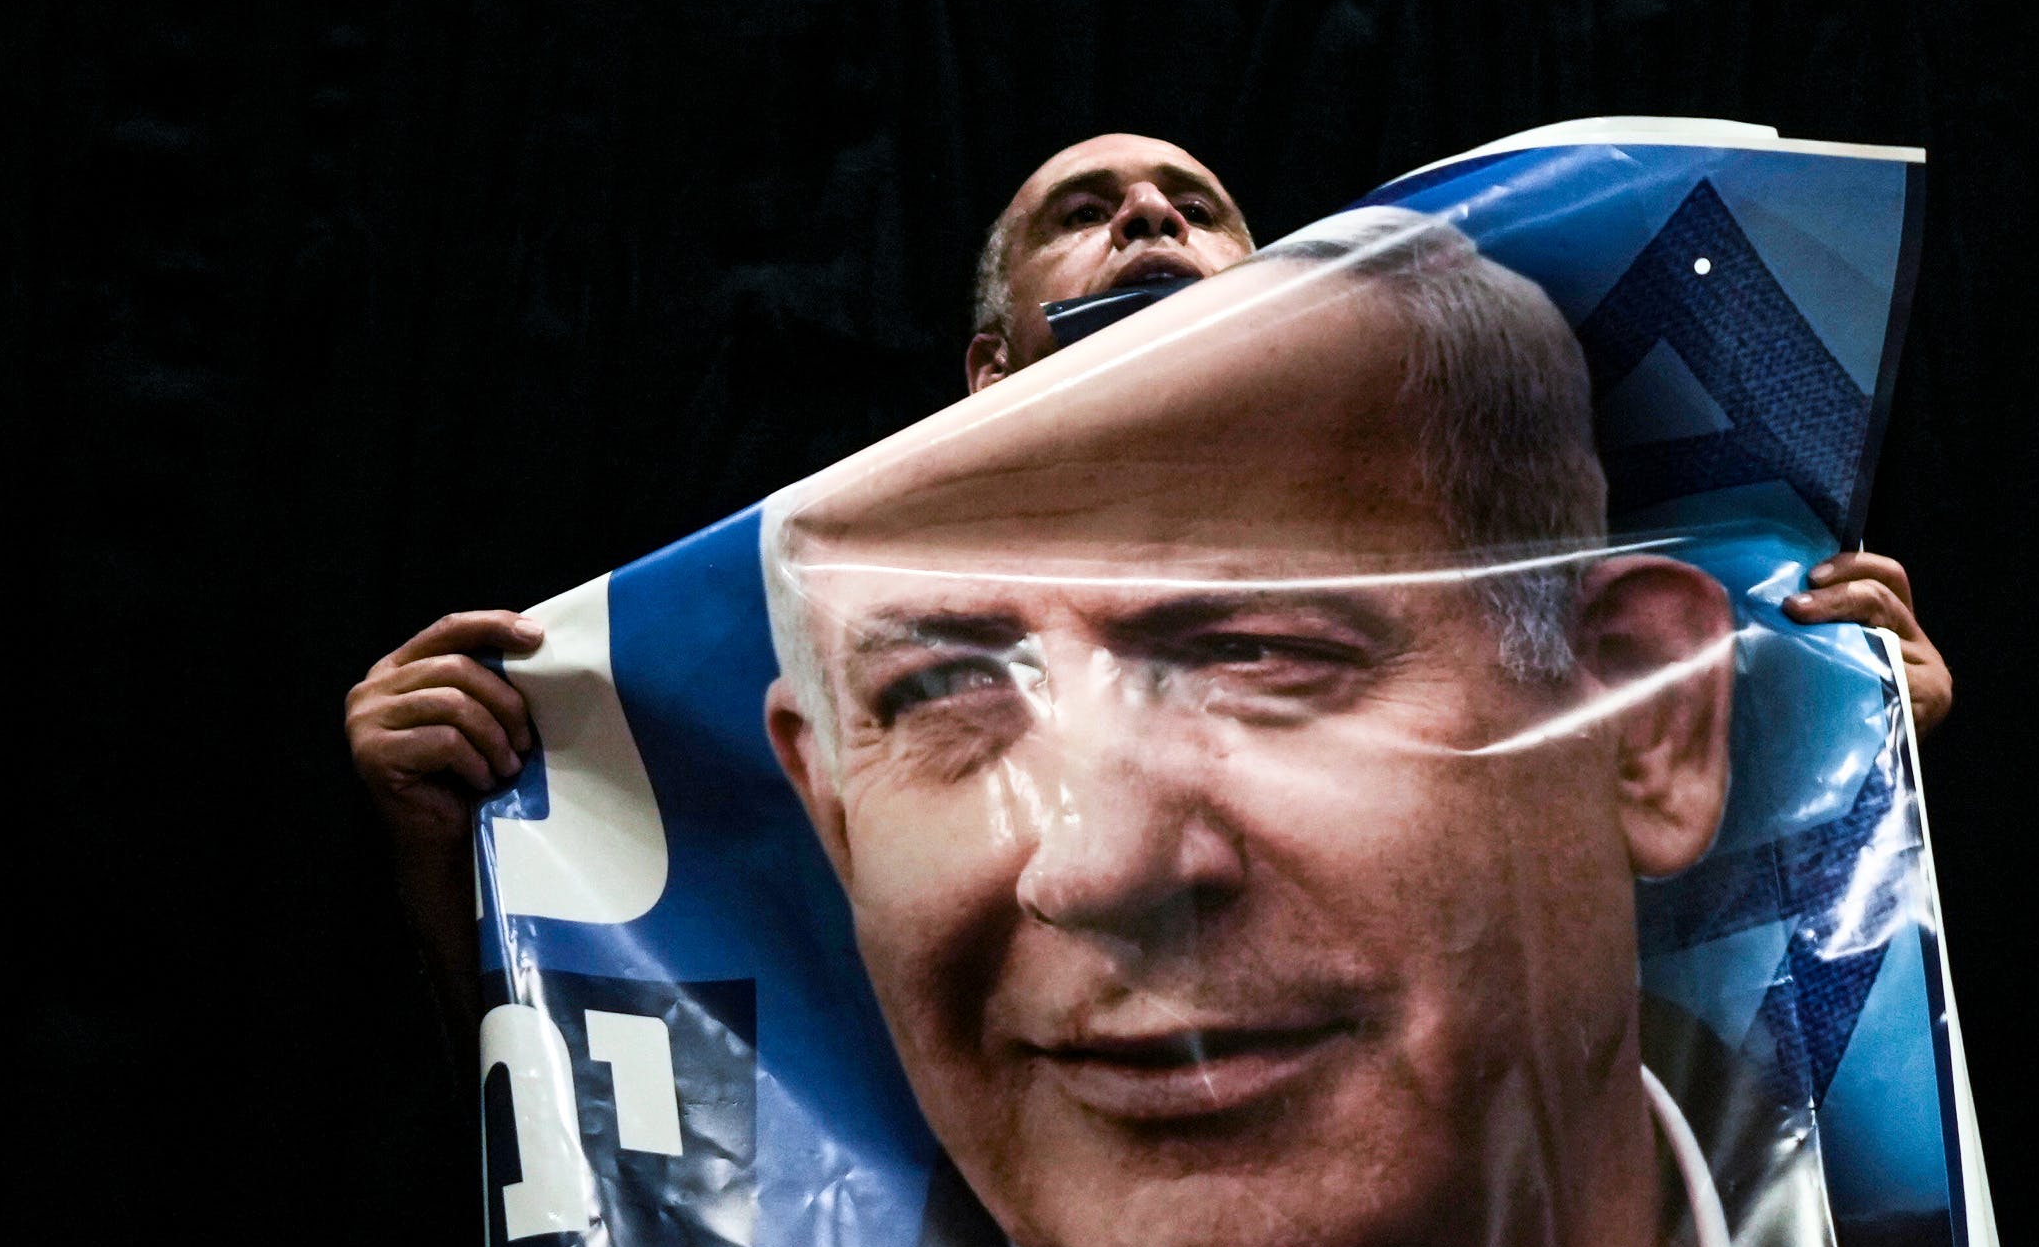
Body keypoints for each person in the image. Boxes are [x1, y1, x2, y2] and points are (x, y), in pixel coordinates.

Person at [344, 135, 1953, 1027]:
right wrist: (462, 837)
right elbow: (663, 1042)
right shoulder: (799, 672)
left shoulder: (1506, 614)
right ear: (986, 367)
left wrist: (1840, 739)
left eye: (1196, 209)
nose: (1147, 217)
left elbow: (1690, 968)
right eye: (1086, 212)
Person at [728, 207, 1832, 1247]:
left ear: (1646, 723)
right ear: (832, 814)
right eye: (942, 693)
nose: (1093, 864)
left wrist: (1855, 723)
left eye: (1256, 654)